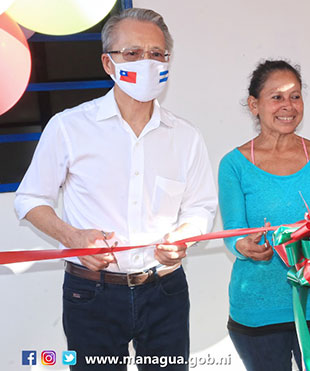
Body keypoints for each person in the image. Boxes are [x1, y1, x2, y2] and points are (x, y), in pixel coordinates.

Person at [14, 8, 217, 370]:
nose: (147, 63)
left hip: (165, 291)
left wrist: (184, 236)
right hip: (91, 293)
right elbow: (30, 199)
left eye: (157, 54)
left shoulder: (186, 137)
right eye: (133, 54)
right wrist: (73, 236)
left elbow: (200, 207)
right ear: (108, 63)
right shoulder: (69, 127)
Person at [218, 60, 310, 371]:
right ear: (254, 105)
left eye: (295, 96)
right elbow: (234, 231)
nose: (288, 106)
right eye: (276, 97)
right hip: (256, 311)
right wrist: (244, 245)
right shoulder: (233, 165)